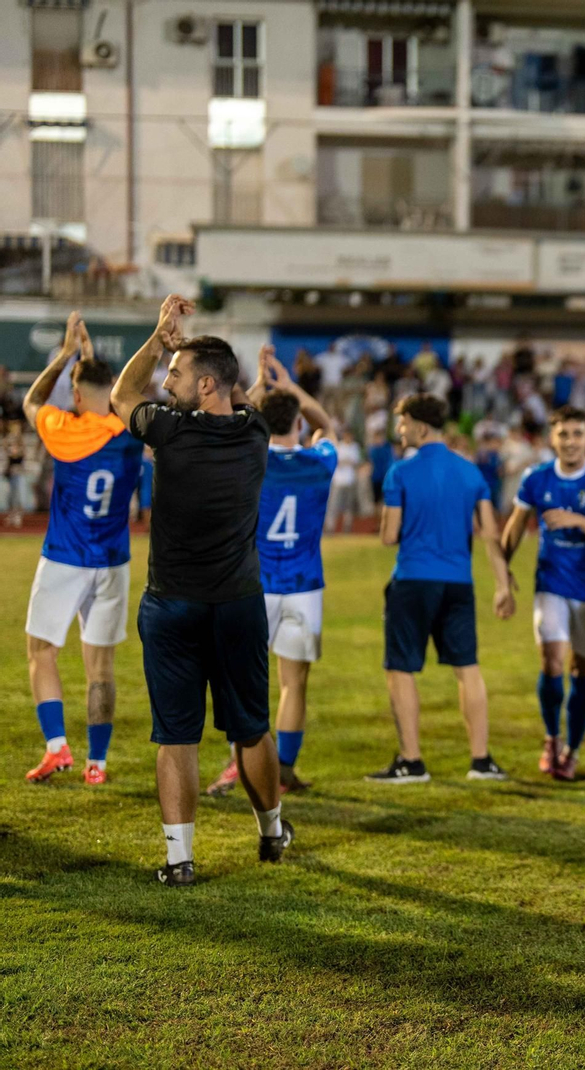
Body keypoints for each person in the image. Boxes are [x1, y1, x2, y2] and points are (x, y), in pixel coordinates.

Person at [111, 294, 291, 887]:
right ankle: (271, 832)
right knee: (251, 726)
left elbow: (120, 396)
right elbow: (249, 399)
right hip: (238, 603)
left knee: (176, 735)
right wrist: (192, 354)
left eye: (178, 374)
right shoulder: (257, 432)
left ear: (207, 384)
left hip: (171, 605)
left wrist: (158, 337)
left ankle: (179, 860)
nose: (168, 381)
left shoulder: (169, 431)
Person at [207, 351, 336, 797]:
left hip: (252, 584)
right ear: (298, 423)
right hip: (304, 587)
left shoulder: (250, 458)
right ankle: (282, 769)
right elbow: (330, 426)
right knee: (293, 683)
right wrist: (290, 385)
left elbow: (237, 421)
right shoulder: (319, 462)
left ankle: (235, 765)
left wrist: (260, 385)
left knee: (242, 680)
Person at [21, 312, 143, 784]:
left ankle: (57, 749)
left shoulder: (61, 429)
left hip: (65, 557)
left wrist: (68, 355)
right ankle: (98, 764)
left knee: (42, 650)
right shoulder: (130, 434)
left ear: (74, 394)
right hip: (112, 561)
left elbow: (33, 399)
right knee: (101, 668)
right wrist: (88, 361)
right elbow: (113, 404)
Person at [368, 394, 516, 784]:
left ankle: (411, 761)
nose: (399, 431)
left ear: (419, 425)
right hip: (458, 583)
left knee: (401, 669)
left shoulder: (399, 472)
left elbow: (388, 536)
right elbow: (490, 534)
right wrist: (502, 585)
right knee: (467, 669)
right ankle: (481, 761)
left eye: (402, 423)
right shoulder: (471, 473)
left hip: (413, 580)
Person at [500, 406, 585, 781]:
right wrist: (503, 570)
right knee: (552, 662)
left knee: (581, 668)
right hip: (551, 583)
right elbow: (513, 526)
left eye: (577, 434)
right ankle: (551, 739)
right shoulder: (536, 478)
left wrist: (575, 520)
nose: (570, 441)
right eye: (563, 434)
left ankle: (572, 748)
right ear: (551, 439)